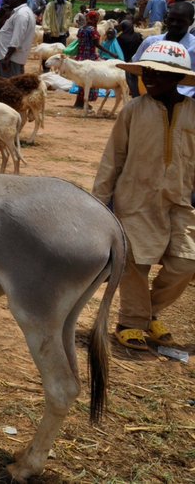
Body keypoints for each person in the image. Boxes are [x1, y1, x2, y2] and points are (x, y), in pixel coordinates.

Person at [92, 40, 195, 351]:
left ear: (178, 79)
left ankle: (147, 313)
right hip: (134, 200)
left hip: (178, 201)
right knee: (135, 263)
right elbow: (113, 159)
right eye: (146, 71)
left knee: (186, 263)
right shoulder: (133, 111)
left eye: (159, 73)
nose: (149, 77)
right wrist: (98, 204)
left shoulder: (193, 112)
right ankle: (131, 322)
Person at [133, 0, 195, 98]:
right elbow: (133, 69)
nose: (174, 24)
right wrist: (137, 96)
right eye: (171, 19)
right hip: (152, 100)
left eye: (180, 21)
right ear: (166, 19)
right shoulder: (151, 42)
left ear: (191, 21)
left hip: (186, 102)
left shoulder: (193, 47)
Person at [0, 0, 35, 77]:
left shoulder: (21, 14)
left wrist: (7, 58)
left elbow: (17, 39)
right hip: (7, 56)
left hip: (10, 58)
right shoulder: (20, 12)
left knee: (8, 85)